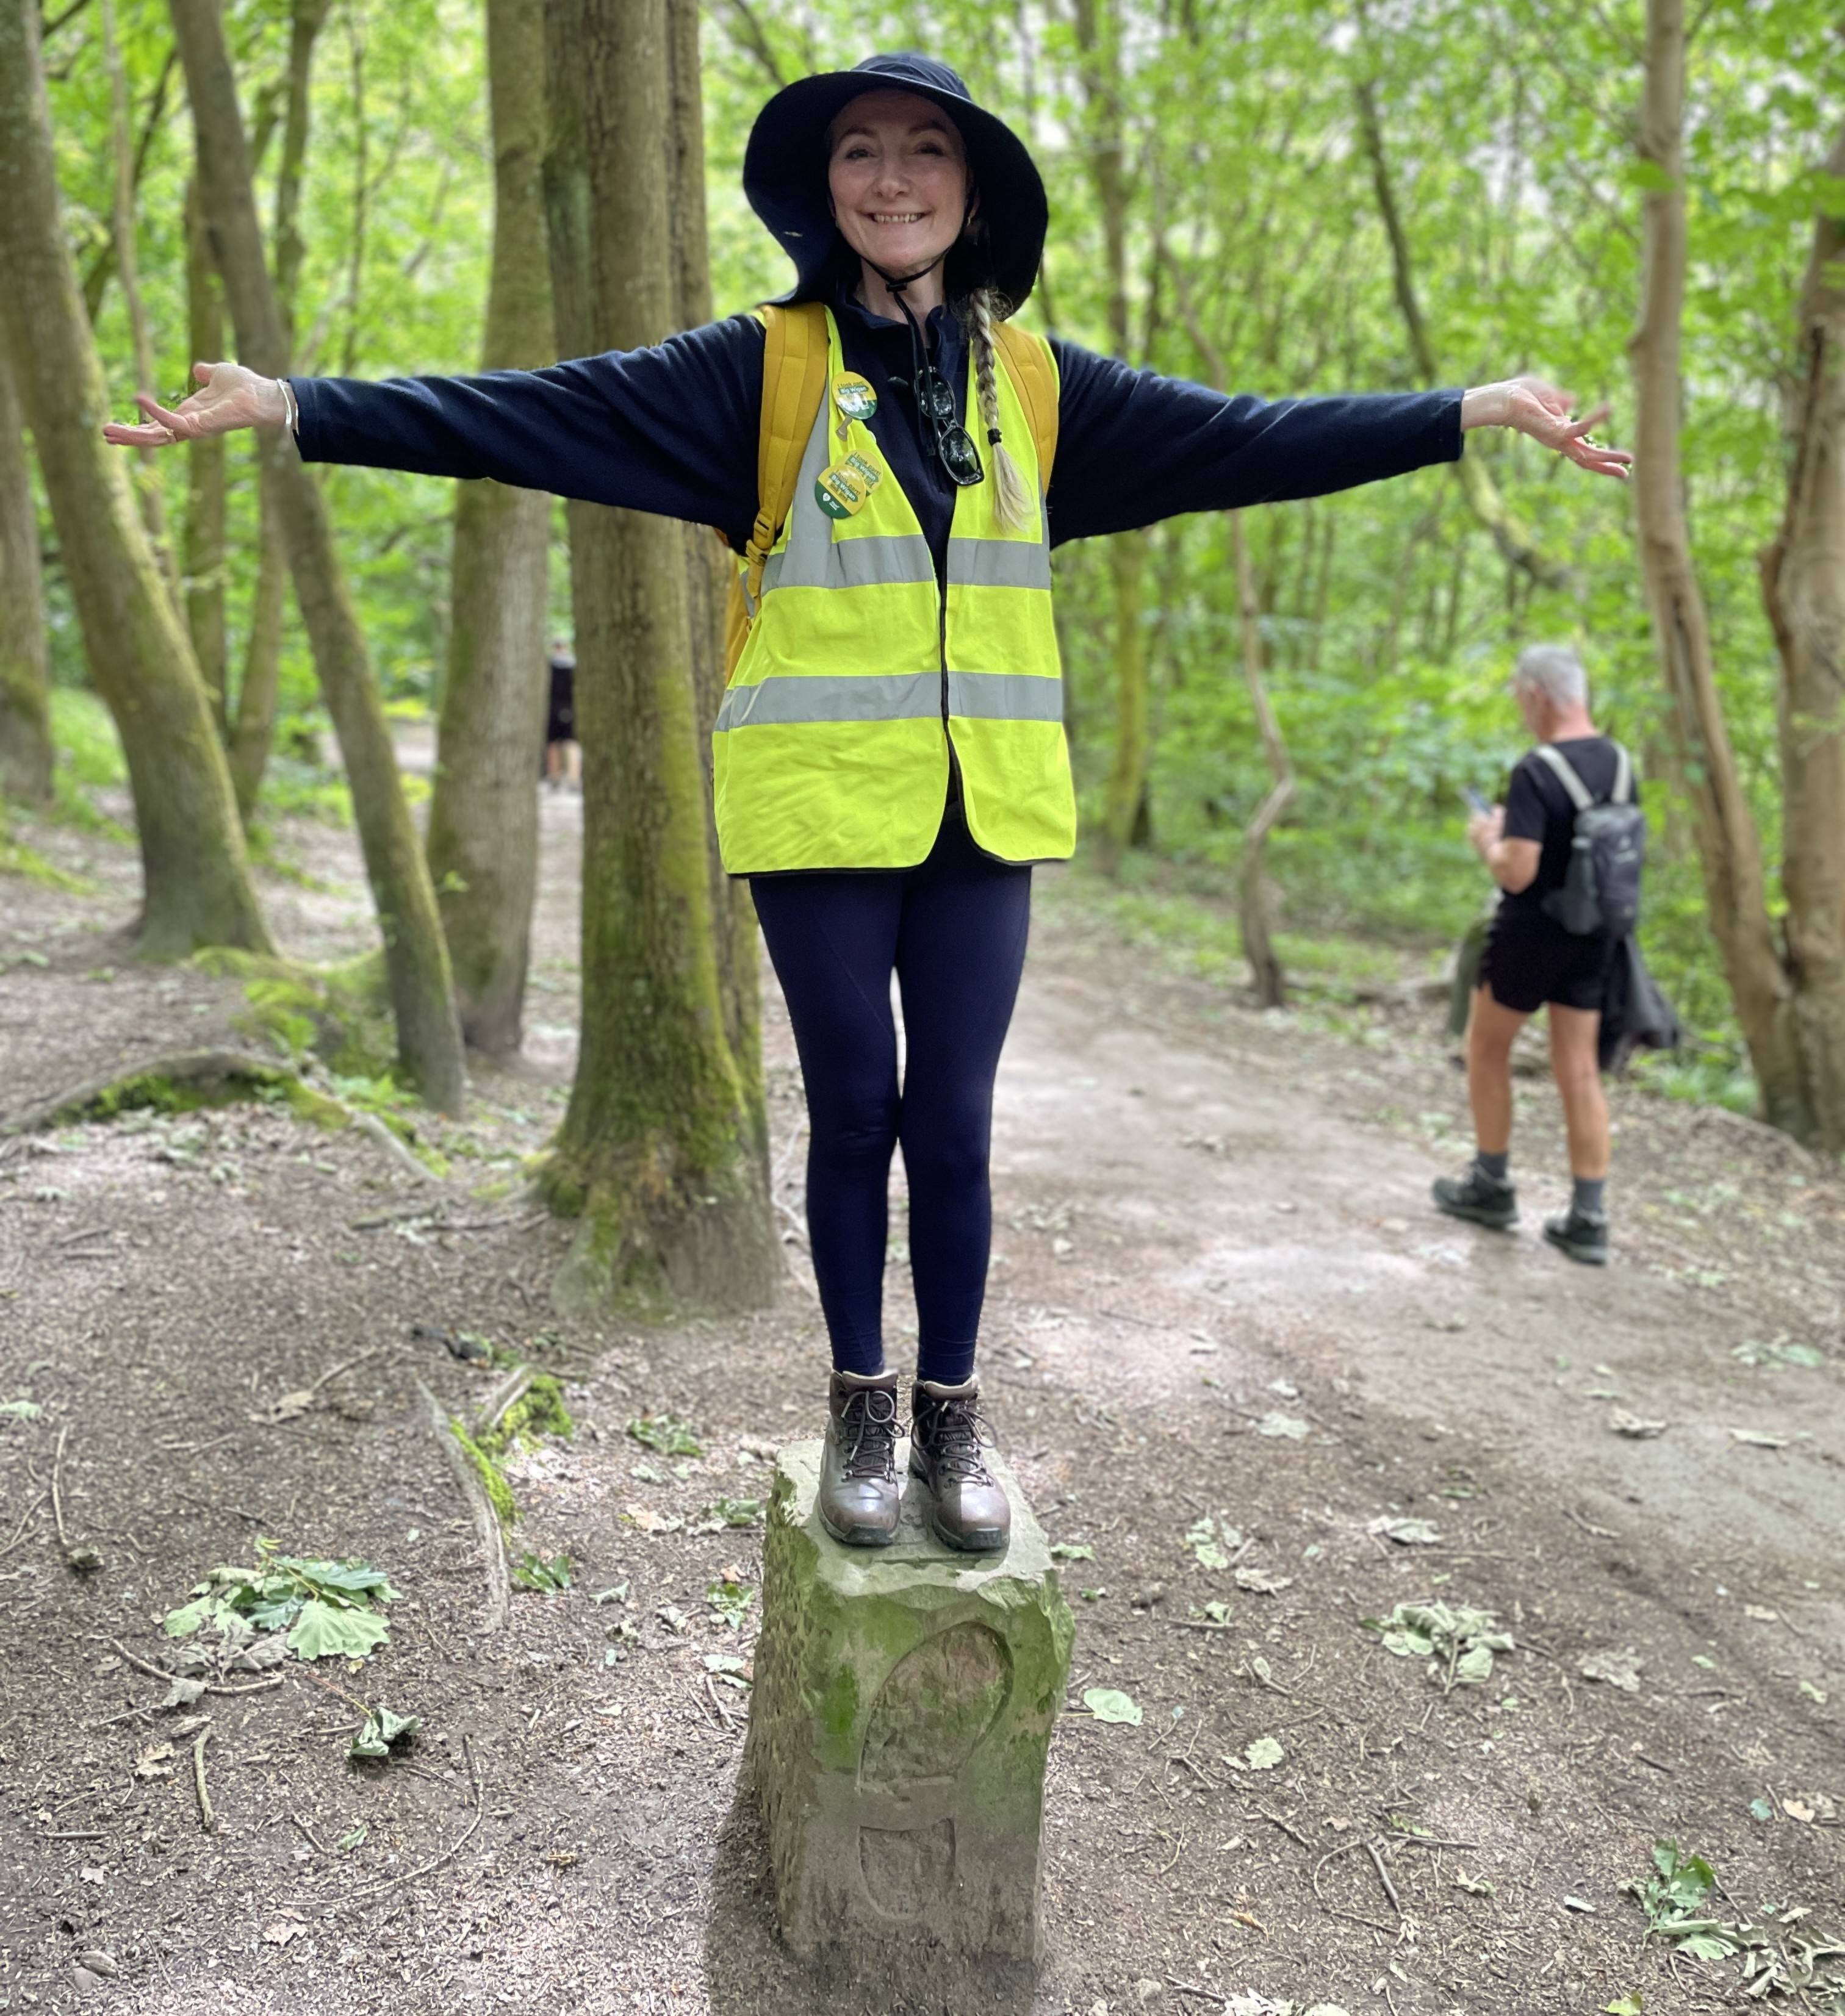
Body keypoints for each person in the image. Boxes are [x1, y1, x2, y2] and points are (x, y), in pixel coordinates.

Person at [104, 52, 1630, 1551]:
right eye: (861, 154)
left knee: (952, 1126)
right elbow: (527, 414)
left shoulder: (1040, 386)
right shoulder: (755, 372)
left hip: (990, 817)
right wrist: (297, 406)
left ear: (971, 197)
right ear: (826, 194)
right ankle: (859, 1406)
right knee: (855, 1113)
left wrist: (1468, 411)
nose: (891, 179)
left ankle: (956, 1414)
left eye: (925, 153)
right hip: (821, 810)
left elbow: (1250, 438)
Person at [1433, 644, 1639, 1266]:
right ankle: (1589, 1216)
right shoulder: (1620, 760)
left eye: (1522, 697)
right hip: (1597, 932)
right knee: (1578, 1066)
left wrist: (1489, 840)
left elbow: (1518, 872)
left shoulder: (1536, 768)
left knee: (1486, 1048)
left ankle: (1491, 1184)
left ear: (1537, 695)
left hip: (1530, 934)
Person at [543, 637, 580, 790]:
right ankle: (566, 778)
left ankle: (562, 777)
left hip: (556, 708)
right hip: (567, 708)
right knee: (565, 743)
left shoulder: (549, 667)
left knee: (561, 744)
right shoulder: (572, 666)